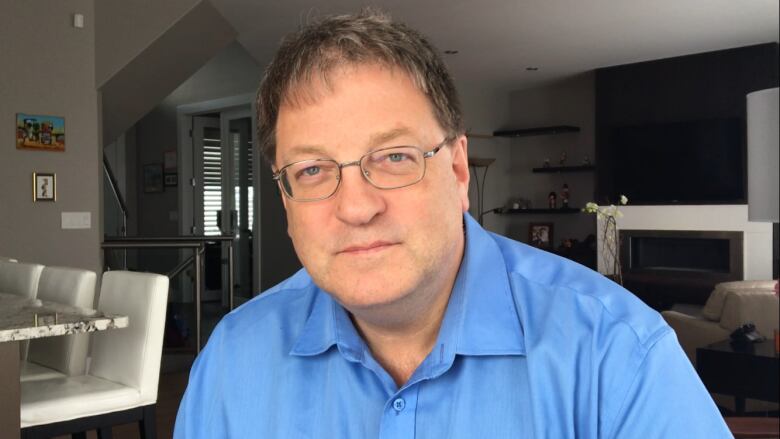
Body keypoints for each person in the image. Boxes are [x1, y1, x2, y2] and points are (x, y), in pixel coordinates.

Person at [174, 10, 731, 438]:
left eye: (393, 156)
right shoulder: (232, 360)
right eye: (314, 169)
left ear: (459, 169)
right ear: (285, 198)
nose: (356, 207)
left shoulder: (617, 351)